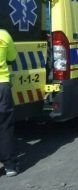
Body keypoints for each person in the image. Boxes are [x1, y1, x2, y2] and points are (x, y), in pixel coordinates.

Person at [0, 29, 18, 177]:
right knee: (5, 125)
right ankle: (10, 166)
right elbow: (12, 58)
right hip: (2, 86)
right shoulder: (4, 35)